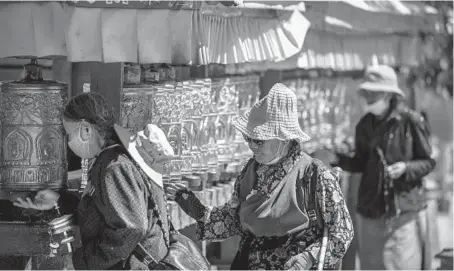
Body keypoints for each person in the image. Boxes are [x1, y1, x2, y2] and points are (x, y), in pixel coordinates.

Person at [165, 83, 354, 270]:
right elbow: (236, 220)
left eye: (259, 140)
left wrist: (309, 258)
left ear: (284, 139)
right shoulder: (251, 171)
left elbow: (342, 232)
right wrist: (198, 211)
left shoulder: (314, 175)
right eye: (249, 139)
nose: (252, 146)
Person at [11, 92, 174, 270]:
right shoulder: (114, 158)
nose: (69, 142)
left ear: (86, 129)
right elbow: (104, 210)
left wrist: (80, 262)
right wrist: (60, 201)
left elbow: (130, 229)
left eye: (69, 134)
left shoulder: (115, 167)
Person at [330, 65, 436, 270]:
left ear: (389, 94)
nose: (368, 97)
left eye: (374, 92)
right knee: (372, 265)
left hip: (401, 213)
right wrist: (336, 158)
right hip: (370, 210)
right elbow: (360, 163)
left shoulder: (410, 121)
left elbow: (428, 162)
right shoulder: (364, 125)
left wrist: (405, 168)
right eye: (366, 92)